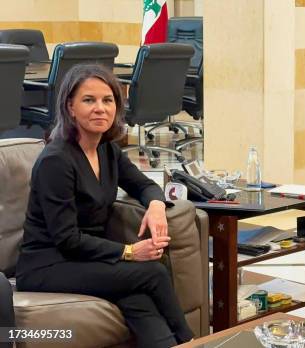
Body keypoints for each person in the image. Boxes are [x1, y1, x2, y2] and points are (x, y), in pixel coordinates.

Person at [15, 64, 193, 348]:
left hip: (87, 258)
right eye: (89, 100)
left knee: (137, 298)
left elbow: (143, 184)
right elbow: (67, 238)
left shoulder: (106, 149)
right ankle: (194, 341)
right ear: (70, 107)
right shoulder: (56, 160)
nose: (100, 108)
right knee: (153, 272)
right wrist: (130, 252)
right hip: (47, 265)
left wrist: (157, 205)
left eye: (107, 100)